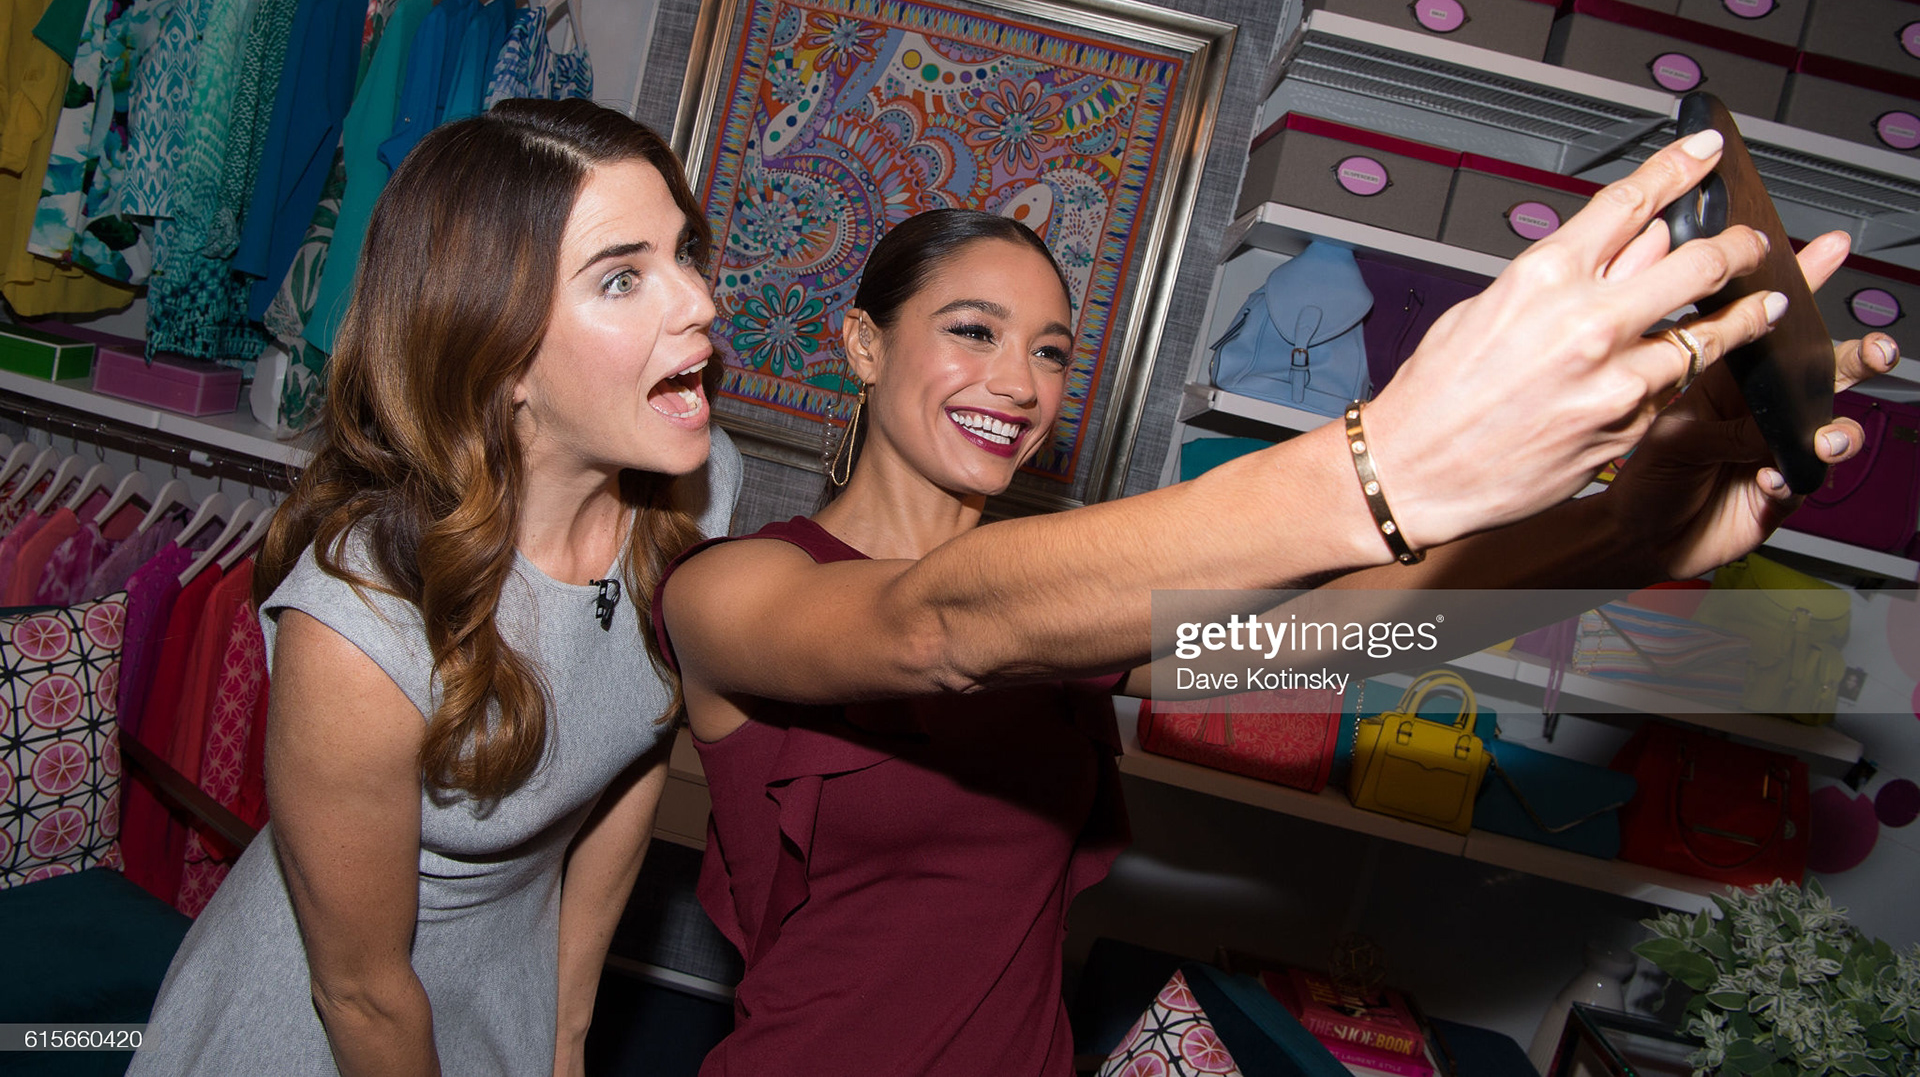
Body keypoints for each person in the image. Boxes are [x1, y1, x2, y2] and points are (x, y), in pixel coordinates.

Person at [654, 131, 1899, 1074]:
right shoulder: (737, 590)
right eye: (972, 331)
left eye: (1050, 350)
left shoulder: (1075, 602)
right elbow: (936, 630)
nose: (1018, 382)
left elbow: (1332, 643)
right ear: (864, 345)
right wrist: (1387, 462)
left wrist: (1626, 535)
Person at [131, 100, 741, 1077]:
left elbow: (630, 754)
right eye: (623, 276)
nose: (699, 301)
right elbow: (362, 994)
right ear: (497, 353)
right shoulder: (361, 623)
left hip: (507, 993)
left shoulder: (698, 492)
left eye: (686, 252)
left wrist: (568, 1036)